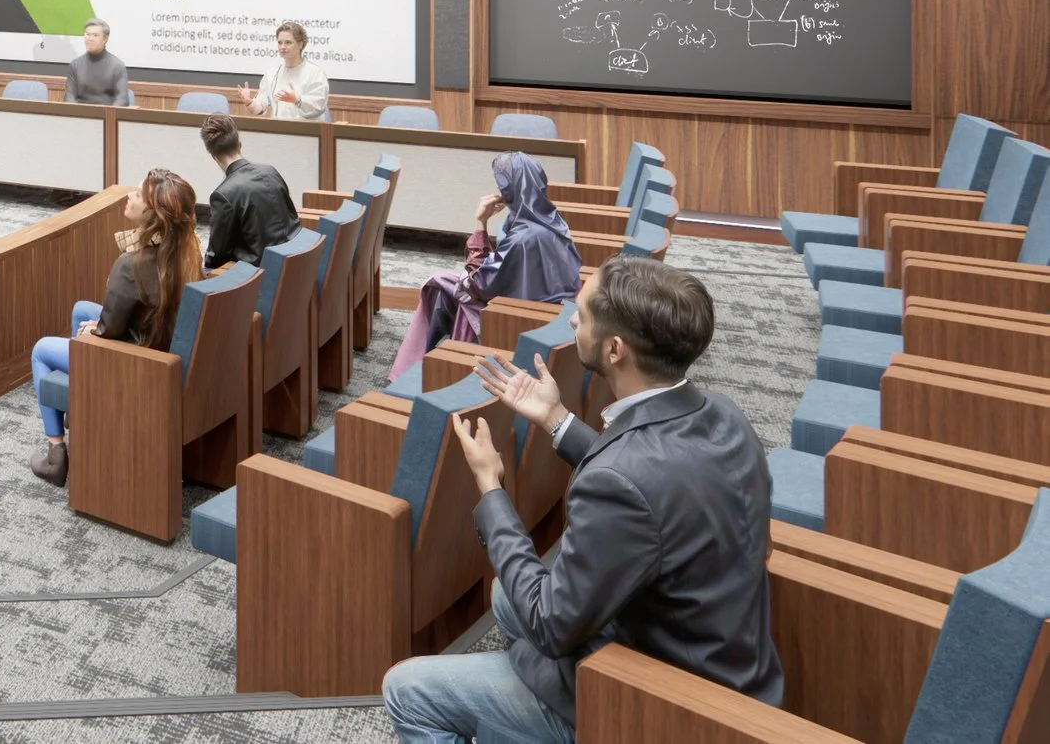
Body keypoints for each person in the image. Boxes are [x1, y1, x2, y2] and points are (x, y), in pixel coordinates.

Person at [382, 256, 779, 743]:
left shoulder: (620, 482)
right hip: (725, 659)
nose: (571, 319)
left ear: (614, 350)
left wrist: (491, 489)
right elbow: (653, 479)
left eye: (583, 315)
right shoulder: (723, 413)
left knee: (406, 690)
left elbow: (550, 624)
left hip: (665, 703)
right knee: (506, 598)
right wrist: (555, 419)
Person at [23, 168, 202, 487]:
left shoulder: (131, 265)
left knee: (41, 350)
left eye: (138, 194)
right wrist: (99, 327)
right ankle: (81, 415)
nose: (129, 196)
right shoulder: (187, 248)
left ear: (153, 214)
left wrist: (97, 332)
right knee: (81, 310)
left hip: (138, 365)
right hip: (163, 346)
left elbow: (110, 332)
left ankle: (55, 454)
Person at [390, 152, 583, 378]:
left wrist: (480, 224)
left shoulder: (524, 238)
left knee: (440, 286)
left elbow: (478, 284)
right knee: (444, 284)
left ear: (509, 190)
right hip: (552, 317)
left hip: (521, 320)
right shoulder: (553, 221)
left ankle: (430, 369)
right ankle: (428, 364)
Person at [198, 114, 301, 272]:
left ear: (211, 154)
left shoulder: (223, 195)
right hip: (297, 262)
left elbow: (216, 257)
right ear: (239, 143)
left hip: (262, 276)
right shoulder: (271, 171)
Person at [237, 21, 329, 120]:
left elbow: (319, 106)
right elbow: (261, 107)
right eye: (280, 43)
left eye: (288, 42)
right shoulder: (271, 74)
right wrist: (249, 102)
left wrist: (297, 99)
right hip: (278, 128)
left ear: (300, 45)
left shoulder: (315, 73)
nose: (282, 47)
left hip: (307, 128)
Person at [63, 19, 130, 106]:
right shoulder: (75, 65)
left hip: (107, 112)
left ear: (105, 39)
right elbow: (69, 97)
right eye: (88, 34)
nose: (90, 39)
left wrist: (108, 113)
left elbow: (122, 99)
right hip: (80, 112)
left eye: (95, 35)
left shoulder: (117, 66)